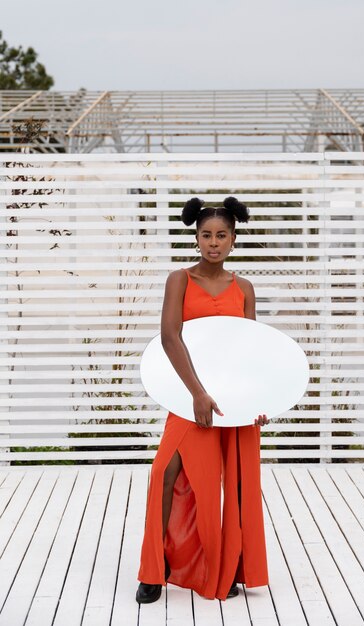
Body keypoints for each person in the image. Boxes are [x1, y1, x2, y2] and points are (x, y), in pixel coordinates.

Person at [136, 196, 269, 604]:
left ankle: (227, 568)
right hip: (189, 394)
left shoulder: (244, 287)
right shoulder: (180, 280)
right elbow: (170, 336)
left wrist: (260, 399)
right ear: (196, 238)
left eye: (222, 236)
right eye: (207, 235)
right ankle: (154, 572)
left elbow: (251, 347)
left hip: (233, 399)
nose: (214, 243)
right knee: (165, 473)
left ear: (233, 240)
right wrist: (196, 392)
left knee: (233, 485)